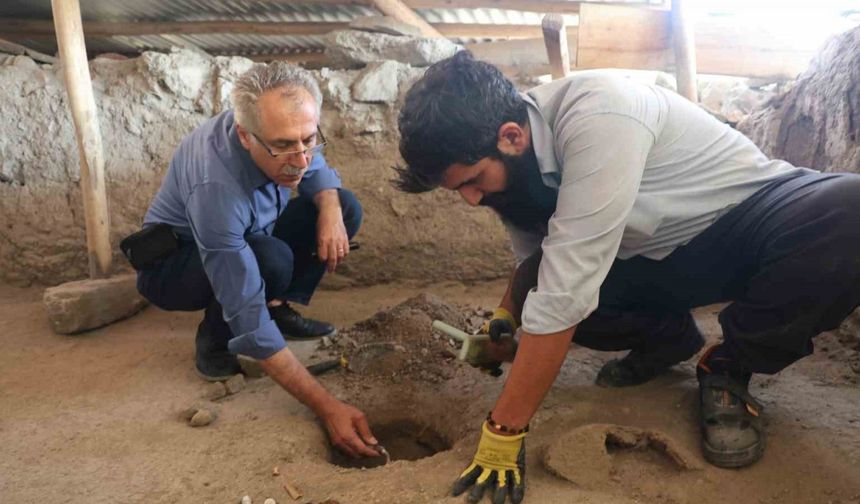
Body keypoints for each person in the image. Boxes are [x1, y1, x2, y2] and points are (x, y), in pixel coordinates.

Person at [395, 51, 860, 503]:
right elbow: (535, 261)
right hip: (655, 255)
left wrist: (504, 431)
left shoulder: (600, 113)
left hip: (742, 221)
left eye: (472, 181)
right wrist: (504, 321)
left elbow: (564, 289)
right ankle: (669, 339)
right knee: (547, 288)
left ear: (511, 136)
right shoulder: (510, 161)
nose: (471, 201)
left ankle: (728, 368)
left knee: (848, 209)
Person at [135, 62, 379, 458]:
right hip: (174, 265)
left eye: (309, 139)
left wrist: (331, 211)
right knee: (268, 258)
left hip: (250, 237)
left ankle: (278, 308)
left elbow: (315, 169)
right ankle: (214, 346)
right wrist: (326, 406)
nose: (300, 159)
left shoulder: (285, 133)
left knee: (343, 205)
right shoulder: (217, 186)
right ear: (245, 136)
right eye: (284, 146)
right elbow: (242, 297)